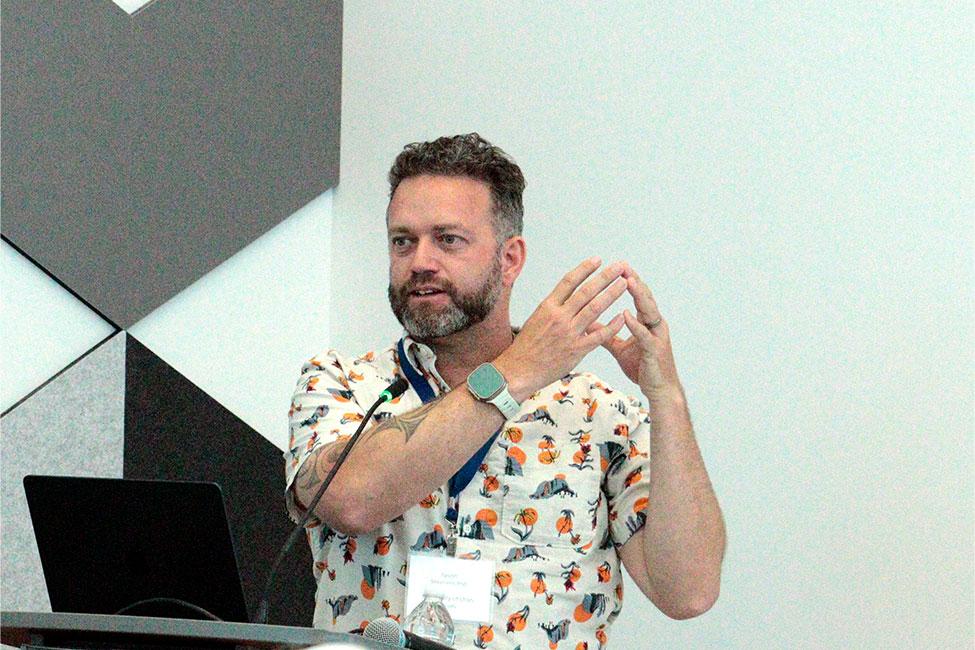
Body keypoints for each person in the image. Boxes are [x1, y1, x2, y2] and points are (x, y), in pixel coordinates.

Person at [285, 133, 725, 649]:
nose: (419, 260)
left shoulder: (598, 412)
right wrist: (517, 372)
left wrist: (666, 396)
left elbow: (689, 592)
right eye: (402, 240)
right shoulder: (341, 384)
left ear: (510, 259)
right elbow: (350, 501)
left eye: (447, 239)